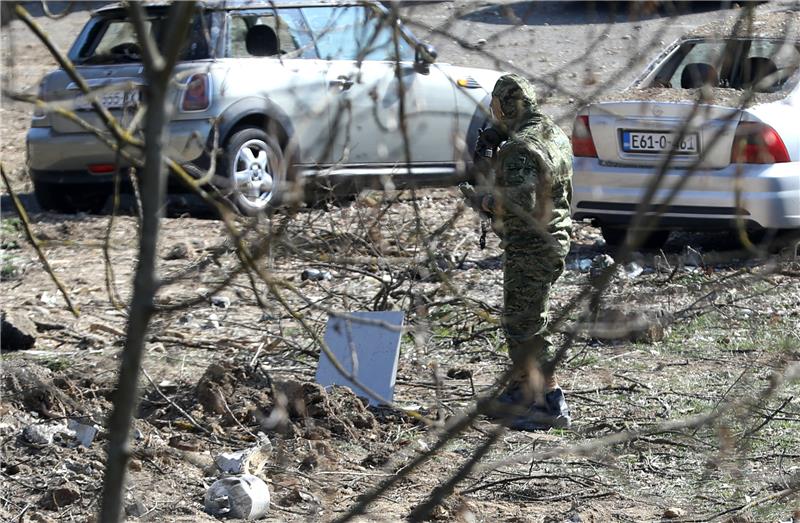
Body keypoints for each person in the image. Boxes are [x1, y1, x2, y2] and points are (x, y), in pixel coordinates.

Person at [461, 74, 573, 430]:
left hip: (531, 244)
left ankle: (548, 402)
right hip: (554, 237)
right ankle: (520, 390)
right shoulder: (553, 133)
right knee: (524, 318)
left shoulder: (519, 149)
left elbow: (518, 203)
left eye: (495, 107)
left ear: (503, 106)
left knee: (524, 325)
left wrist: (483, 200)